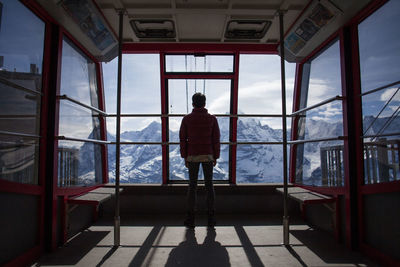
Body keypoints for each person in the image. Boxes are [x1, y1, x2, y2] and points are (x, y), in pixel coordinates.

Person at [179, 93, 220, 228]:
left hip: (192, 155)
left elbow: (183, 139)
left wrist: (184, 156)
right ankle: (211, 218)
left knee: (192, 186)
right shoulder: (212, 119)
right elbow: (216, 139)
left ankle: (191, 219)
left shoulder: (186, 119)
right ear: (205, 103)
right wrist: (216, 156)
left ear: (192, 104)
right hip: (208, 155)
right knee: (209, 186)